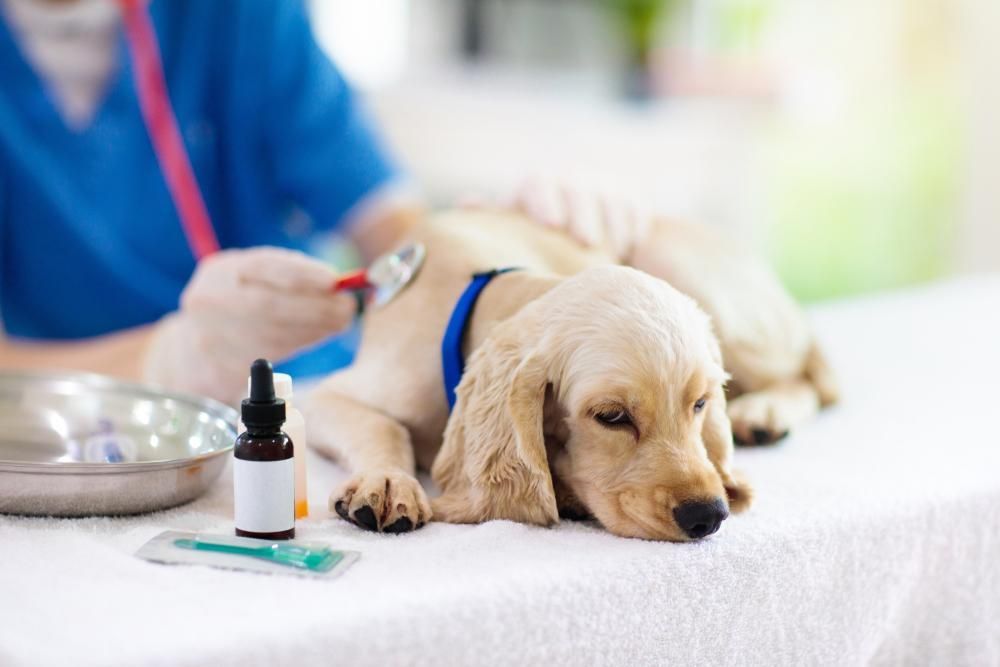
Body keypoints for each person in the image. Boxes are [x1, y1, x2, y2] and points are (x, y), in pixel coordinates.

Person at [0, 0, 643, 404]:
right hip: (70, 425)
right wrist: (171, 360)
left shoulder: (245, 18)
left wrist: (500, 253)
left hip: (304, 393)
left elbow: (396, 236)